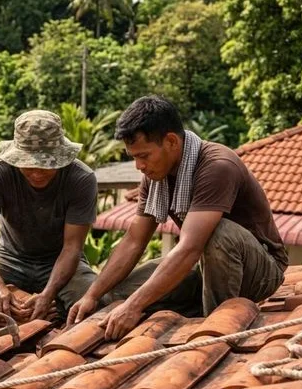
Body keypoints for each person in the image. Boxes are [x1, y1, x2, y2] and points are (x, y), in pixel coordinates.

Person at [68, 95, 288, 339]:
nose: (139, 166)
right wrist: (93, 295)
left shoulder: (217, 166)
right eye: (134, 157)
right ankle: (190, 307)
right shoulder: (154, 177)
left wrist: (134, 306)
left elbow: (190, 248)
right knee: (116, 293)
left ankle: (215, 328)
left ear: (171, 141)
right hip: (204, 266)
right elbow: (134, 240)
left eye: (144, 155)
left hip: (260, 271)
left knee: (218, 232)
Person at [0, 110, 98, 320]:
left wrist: (48, 294)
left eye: (46, 166)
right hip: (9, 258)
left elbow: (72, 247)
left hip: (60, 260)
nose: (37, 173)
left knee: (91, 298)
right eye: (28, 165)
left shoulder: (81, 179)